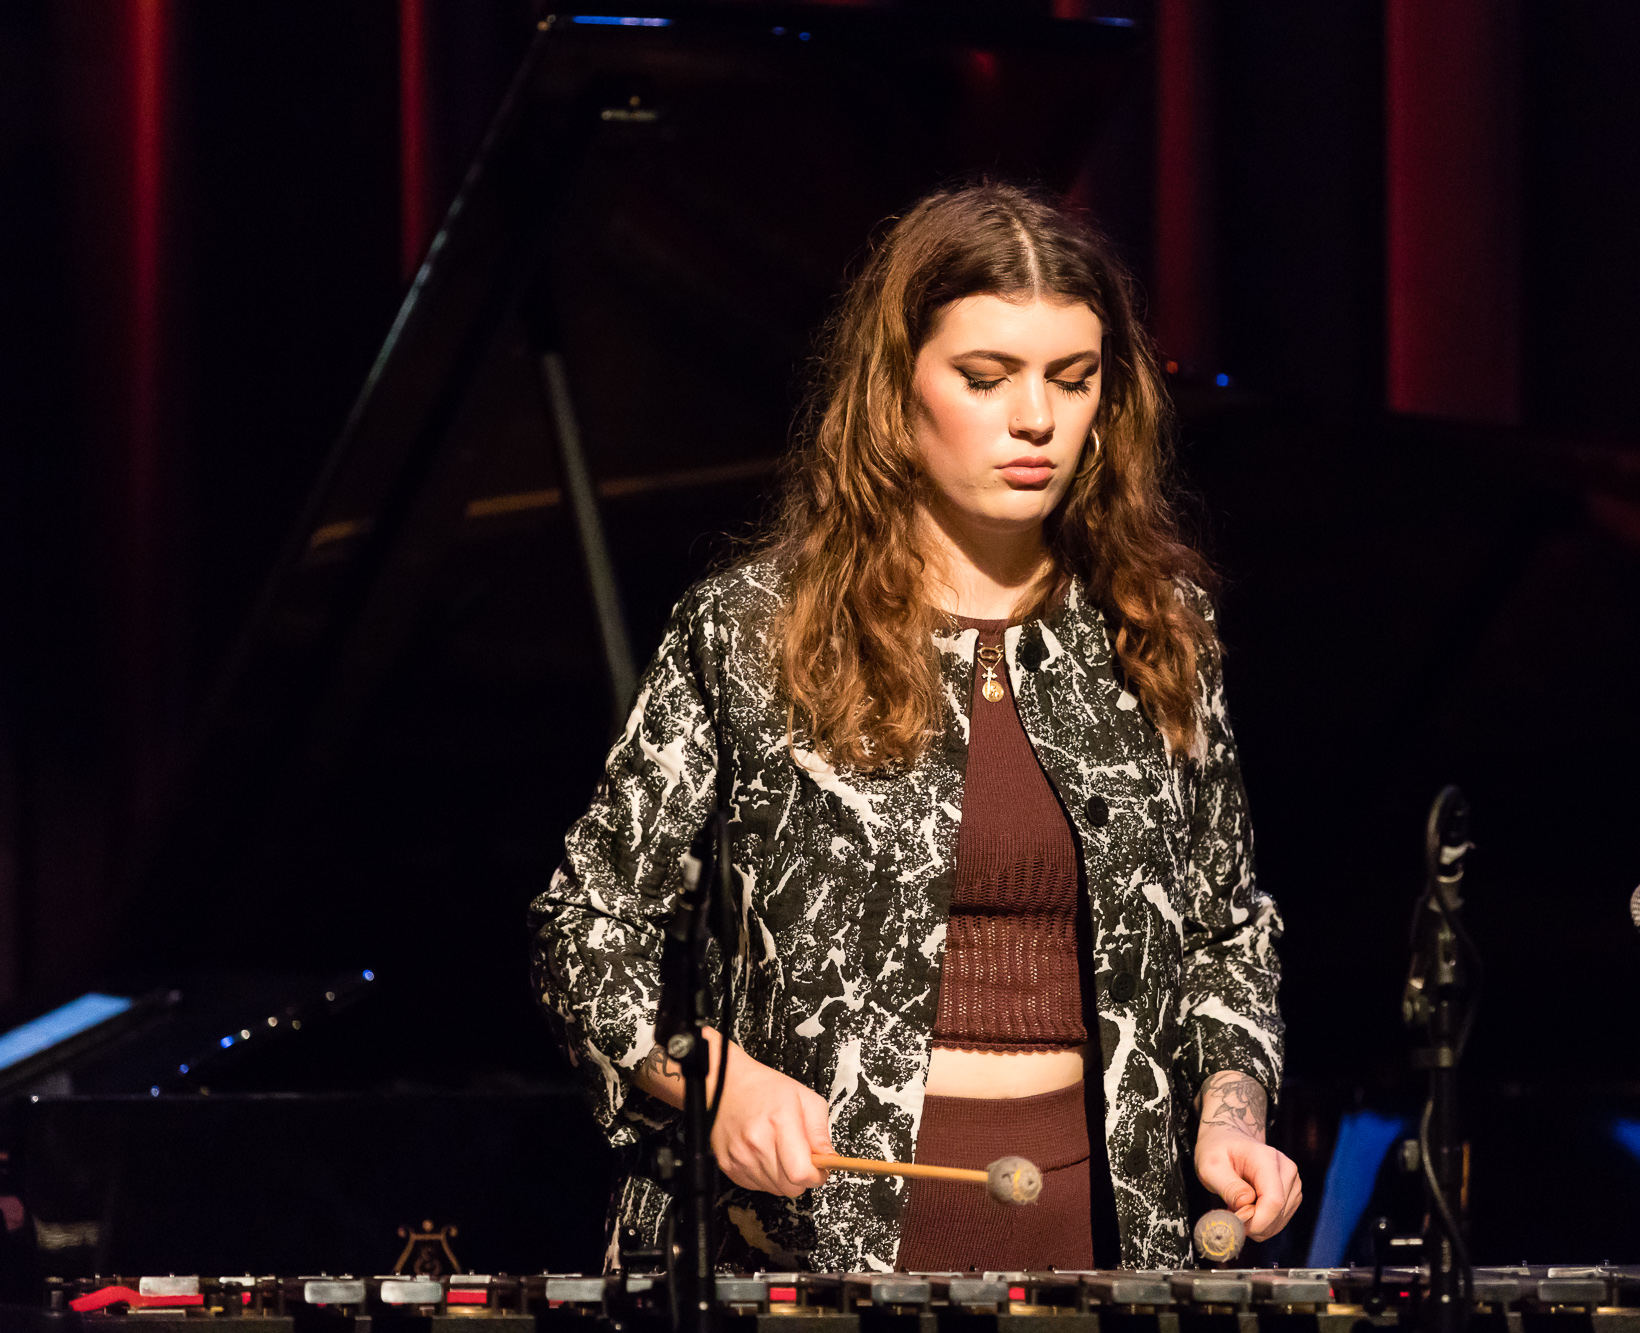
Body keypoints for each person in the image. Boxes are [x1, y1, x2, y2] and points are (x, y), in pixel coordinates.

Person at [530, 181, 1298, 1275]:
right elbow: (587, 925)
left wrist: (1229, 1116)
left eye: (1071, 380)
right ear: (898, 389)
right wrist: (714, 1080)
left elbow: (1226, 932)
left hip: (1096, 1233)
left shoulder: (1157, 628)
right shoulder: (757, 628)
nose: (1034, 417)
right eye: (985, 378)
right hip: (808, 1242)